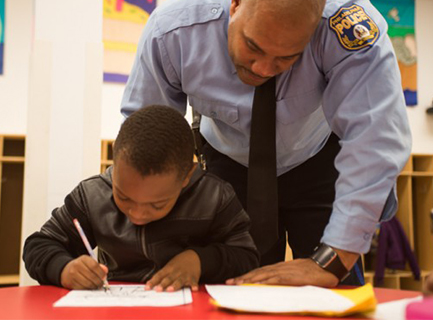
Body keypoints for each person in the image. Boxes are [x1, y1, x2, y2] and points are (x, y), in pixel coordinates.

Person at [121, 0, 411, 288]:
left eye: (286, 58)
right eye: (252, 47)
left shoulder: (346, 26)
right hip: (228, 163)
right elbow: (147, 140)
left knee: (337, 290)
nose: (262, 69)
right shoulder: (173, 31)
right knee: (232, 287)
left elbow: (375, 138)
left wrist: (334, 261)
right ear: (236, 3)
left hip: (316, 159)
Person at [23, 105, 259, 292]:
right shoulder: (92, 196)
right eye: (123, 197)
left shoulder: (213, 197)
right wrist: (63, 268)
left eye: (157, 204)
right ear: (114, 162)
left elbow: (246, 257)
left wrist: (199, 260)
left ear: (186, 175)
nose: (137, 214)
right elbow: (38, 245)